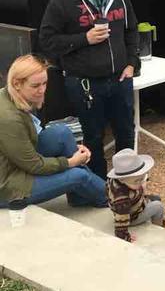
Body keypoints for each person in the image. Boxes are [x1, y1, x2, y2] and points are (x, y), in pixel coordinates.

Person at [39, 0, 140, 179]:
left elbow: (132, 29)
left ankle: (127, 184)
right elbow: (47, 41)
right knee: (93, 137)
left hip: (119, 78)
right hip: (84, 83)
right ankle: (99, 187)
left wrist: (132, 63)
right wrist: (85, 38)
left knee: (126, 132)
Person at [0, 55, 107, 208]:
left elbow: (24, 145)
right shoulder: (8, 118)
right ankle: (116, 199)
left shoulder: (9, 95)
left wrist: (74, 149)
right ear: (17, 83)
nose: (42, 90)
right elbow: (35, 165)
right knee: (79, 176)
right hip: (8, 186)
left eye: (44, 83)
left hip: (15, 164)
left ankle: (82, 196)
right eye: (35, 85)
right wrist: (71, 162)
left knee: (61, 133)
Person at [106, 148, 165, 242]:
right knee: (158, 206)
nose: (141, 182)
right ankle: (158, 229)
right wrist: (124, 236)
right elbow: (121, 219)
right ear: (122, 179)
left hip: (135, 203)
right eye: (137, 181)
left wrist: (141, 182)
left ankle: (153, 219)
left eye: (143, 178)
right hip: (132, 217)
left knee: (156, 198)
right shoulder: (121, 199)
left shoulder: (117, 180)